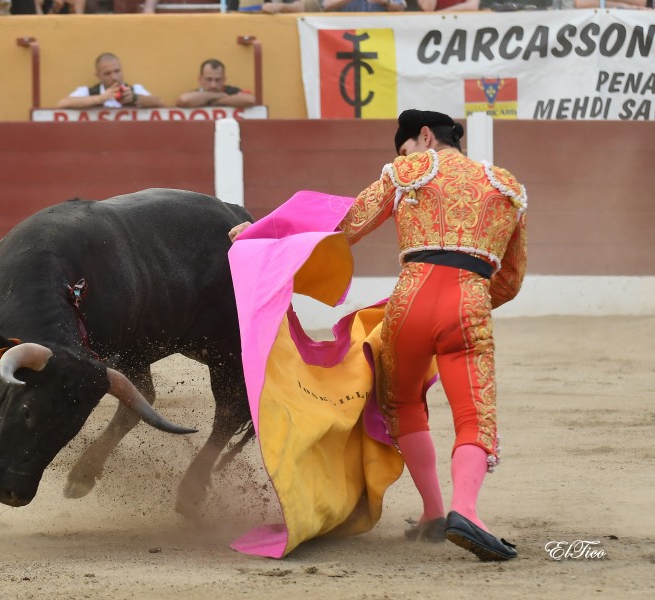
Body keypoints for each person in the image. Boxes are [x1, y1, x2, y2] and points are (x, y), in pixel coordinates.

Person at [229, 109, 527, 562]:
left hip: (410, 302)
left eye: (405, 145)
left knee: (401, 402)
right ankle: (465, 510)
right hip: (470, 303)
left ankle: (431, 511)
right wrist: (471, 304)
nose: (403, 154)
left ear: (424, 137)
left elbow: (345, 225)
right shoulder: (507, 186)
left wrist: (260, 234)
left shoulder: (410, 171)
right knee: (475, 415)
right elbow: (511, 279)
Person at [56, 53, 164, 110]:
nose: (114, 77)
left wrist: (135, 98)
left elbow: (160, 102)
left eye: (117, 71)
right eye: (107, 73)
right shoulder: (89, 92)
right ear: (98, 76)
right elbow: (62, 103)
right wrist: (99, 99)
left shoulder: (134, 90)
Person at [176, 59, 257, 109]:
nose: (213, 85)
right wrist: (217, 95)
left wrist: (218, 102)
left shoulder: (231, 91)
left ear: (224, 80)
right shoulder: (196, 94)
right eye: (209, 79)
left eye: (218, 80)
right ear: (200, 80)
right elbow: (184, 100)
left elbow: (250, 100)